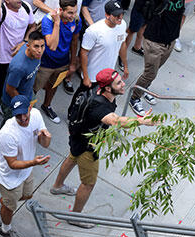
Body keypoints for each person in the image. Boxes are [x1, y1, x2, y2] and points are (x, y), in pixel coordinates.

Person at [50, 69, 154, 226]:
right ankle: (75, 217)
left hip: (77, 136)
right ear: (107, 88)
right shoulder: (100, 107)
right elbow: (117, 121)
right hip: (87, 146)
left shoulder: (96, 90)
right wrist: (141, 121)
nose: (123, 84)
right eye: (118, 83)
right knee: (88, 184)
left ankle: (57, 186)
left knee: (72, 157)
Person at [0, 96, 51, 237]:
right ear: (13, 113)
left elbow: (44, 144)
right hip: (8, 177)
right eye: (18, 115)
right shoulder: (7, 133)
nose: (23, 118)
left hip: (27, 170)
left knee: (26, 196)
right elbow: (12, 164)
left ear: (30, 108)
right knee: (10, 206)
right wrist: (34, 162)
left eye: (25, 113)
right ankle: (5, 230)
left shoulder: (36, 115)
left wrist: (46, 138)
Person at [0, 0, 36, 126]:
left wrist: (24, 41)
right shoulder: (2, 10)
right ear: (6, 0)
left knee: (7, 84)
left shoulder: (25, 7)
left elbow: (33, 26)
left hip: (16, 57)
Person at [36, 0, 81, 123]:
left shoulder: (76, 20)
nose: (73, 16)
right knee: (34, 88)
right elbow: (51, 44)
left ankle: (47, 106)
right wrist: (57, 23)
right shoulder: (48, 20)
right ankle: (29, 109)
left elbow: (74, 41)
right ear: (61, 10)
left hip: (62, 63)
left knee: (53, 86)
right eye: (70, 12)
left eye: (75, 11)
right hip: (45, 63)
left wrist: (72, 63)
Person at [81, 0, 128, 88]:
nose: (120, 17)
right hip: (93, 76)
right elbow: (83, 53)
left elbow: (122, 45)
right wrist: (86, 77)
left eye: (122, 14)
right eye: (116, 15)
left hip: (109, 75)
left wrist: (125, 66)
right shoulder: (94, 30)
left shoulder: (123, 25)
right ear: (107, 15)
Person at [1, 30, 46, 111]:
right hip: (13, 103)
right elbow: (10, 89)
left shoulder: (36, 54)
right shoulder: (18, 68)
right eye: (36, 46)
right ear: (28, 46)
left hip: (28, 94)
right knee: (12, 123)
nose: (40, 50)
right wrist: (23, 104)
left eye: (42, 46)